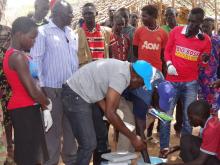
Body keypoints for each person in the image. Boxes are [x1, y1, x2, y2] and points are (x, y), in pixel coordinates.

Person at [61, 59, 153, 165]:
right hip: (75, 95)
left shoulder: (124, 69)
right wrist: (133, 138)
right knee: (88, 144)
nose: (140, 86)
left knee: (101, 134)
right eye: (141, 83)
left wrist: (111, 114)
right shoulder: (122, 76)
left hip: (86, 96)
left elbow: (98, 90)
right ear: (136, 77)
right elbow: (110, 113)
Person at [30, 1, 78, 165]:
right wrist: (42, 94)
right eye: (69, 13)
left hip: (71, 89)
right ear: (57, 14)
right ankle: (51, 162)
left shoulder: (72, 33)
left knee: (71, 128)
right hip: (51, 90)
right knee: (52, 131)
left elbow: (74, 61)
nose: (72, 16)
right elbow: (35, 65)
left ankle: (70, 159)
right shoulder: (42, 33)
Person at [160, 8, 211, 158]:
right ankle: (164, 148)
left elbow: (203, 64)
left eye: (194, 22)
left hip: (190, 83)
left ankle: (185, 150)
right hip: (171, 82)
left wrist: (204, 60)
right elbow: (167, 51)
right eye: (189, 20)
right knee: (165, 117)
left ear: (201, 23)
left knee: (189, 120)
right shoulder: (176, 31)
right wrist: (169, 64)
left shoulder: (205, 40)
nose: (190, 24)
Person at [3, 16, 53, 165]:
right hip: (24, 110)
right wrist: (47, 103)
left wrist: (43, 106)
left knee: (32, 154)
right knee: (29, 156)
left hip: (27, 108)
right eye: (32, 37)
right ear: (19, 35)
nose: (34, 41)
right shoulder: (17, 57)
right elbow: (32, 89)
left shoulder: (19, 54)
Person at [76, 3, 111, 164]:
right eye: (85, 14)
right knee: (92, 125)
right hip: (87, 87)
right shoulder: (78, 34)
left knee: (102, 123)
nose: (88, 16)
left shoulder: (105, 32)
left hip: (102, 85)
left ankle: (99, 158)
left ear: (96, 13)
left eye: (90, 13)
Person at [132, 4, 168, 144]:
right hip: (142, 74)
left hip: (157, 74)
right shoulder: (139, 31)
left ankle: (149, 133)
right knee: (142, 104)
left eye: (145, 16)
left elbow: (163, 56)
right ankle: (140, 135)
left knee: (157, 104)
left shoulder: (163, 34)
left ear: (154, 17)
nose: (142, 18)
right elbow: (135, 52)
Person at [159, 100, 220, 165]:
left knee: (187, 142)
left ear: (200, 116)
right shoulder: (210, 121)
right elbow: (205, 143)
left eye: (191, 117)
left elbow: (200, 161)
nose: (188, 120)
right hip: (214, 155)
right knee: (186, 139)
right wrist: (172, 149)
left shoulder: (211, 129)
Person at [161, 6, 183, 137]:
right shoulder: (163, 30)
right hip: (166, 70)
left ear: (177, 15)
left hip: (181, 71)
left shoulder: (183, 30)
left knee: (181, 101)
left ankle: (179, 127)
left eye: (172, 15)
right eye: (167, 15)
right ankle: (161, 127)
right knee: (166, 100)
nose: (169, 17)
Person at [198, 18, 220, 113]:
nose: (204, 29)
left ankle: (213, 127)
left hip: (214, 80)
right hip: (200, 80)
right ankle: (205, 127)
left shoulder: (217, 42)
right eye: (203, 26)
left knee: (214, 109)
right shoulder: (198, 40)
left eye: (207, 27)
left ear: (213, 27)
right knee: (203, 109)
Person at [0, 11, 13, 164]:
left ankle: (9, 146)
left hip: (7, 79)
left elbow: (12, 52)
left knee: (8, 114)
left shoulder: (7, 30)